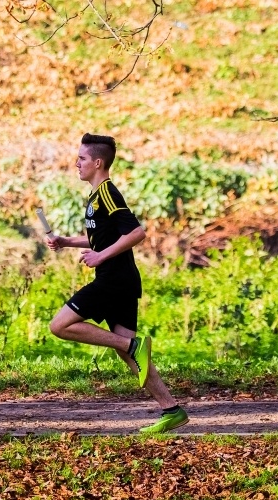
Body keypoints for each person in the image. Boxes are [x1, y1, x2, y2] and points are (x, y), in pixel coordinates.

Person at [46, 133, 189, 434]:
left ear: (98, 163)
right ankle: (172, 410)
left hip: (114, 280)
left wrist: (100, 257)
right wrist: (66, 241)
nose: (76, 163)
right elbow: (104, 238)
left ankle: (132, 345)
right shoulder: (96, 196)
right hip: (121, 280)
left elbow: (136, 233)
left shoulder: (108, 193)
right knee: (131, 354)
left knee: (59, 325)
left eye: (82, 159)